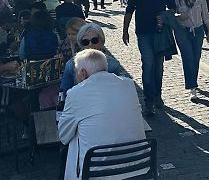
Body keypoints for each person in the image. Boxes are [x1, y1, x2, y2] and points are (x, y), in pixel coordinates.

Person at [58, 49, 146, 180]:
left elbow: (64, 136)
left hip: (98, 172)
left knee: (75, 137)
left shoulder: (75, 93)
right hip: (140, 166)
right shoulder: (128, 85)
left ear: (83, 73)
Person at [122, 0, 176, 116]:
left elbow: (172, 7)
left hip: (160, 33)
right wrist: (125, 31)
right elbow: (129, 10)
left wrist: (165, 16)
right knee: (148, 64)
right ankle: (148, 101)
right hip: (143, 32)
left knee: (158, 66)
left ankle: (157, 95)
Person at [174, 0, 209, 102]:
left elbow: (205, 15)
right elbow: (172, 13)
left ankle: (193, 81)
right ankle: (192, 88)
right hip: (183, 31)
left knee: (196, 58)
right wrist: (179, 15)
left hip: (198, 30)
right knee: (188, 58)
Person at [60, 23, 122, 95]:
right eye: (85, 42)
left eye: (94, 40)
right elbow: (64, 92)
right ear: (81, 44)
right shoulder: (71, 65)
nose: (90, 45)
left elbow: (116, 91)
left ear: (101, 41)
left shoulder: (113, 65)